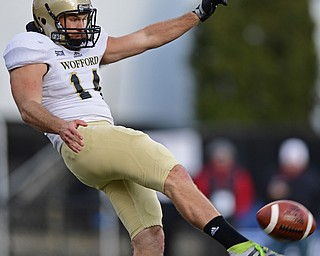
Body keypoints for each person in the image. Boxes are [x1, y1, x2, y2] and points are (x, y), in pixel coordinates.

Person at [3, 0, 284, 255]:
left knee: (150, 235)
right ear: (47, 19)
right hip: (83, 137)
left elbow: (147, 37)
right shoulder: (30, 45)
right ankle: (242, 248)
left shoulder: (90, 44)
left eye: (82, 18)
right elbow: (28, 106)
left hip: (99, 149)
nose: (80, 25)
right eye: (72, 19)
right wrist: (59, 124)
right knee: (174, 173)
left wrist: (198, 14)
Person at [264, 138, 320, 255]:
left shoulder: (311, 179)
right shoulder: (276, 176)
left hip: (305, 227)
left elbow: (308, 200)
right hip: (280, 226)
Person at [193, 138, 256, 227]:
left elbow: (246, 201)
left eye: (225, 156)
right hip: (207, 220)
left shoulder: (241, 177)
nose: (221, 160)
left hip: (237, 220)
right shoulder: (202, 177)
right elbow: (196, 198)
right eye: (218, 157)